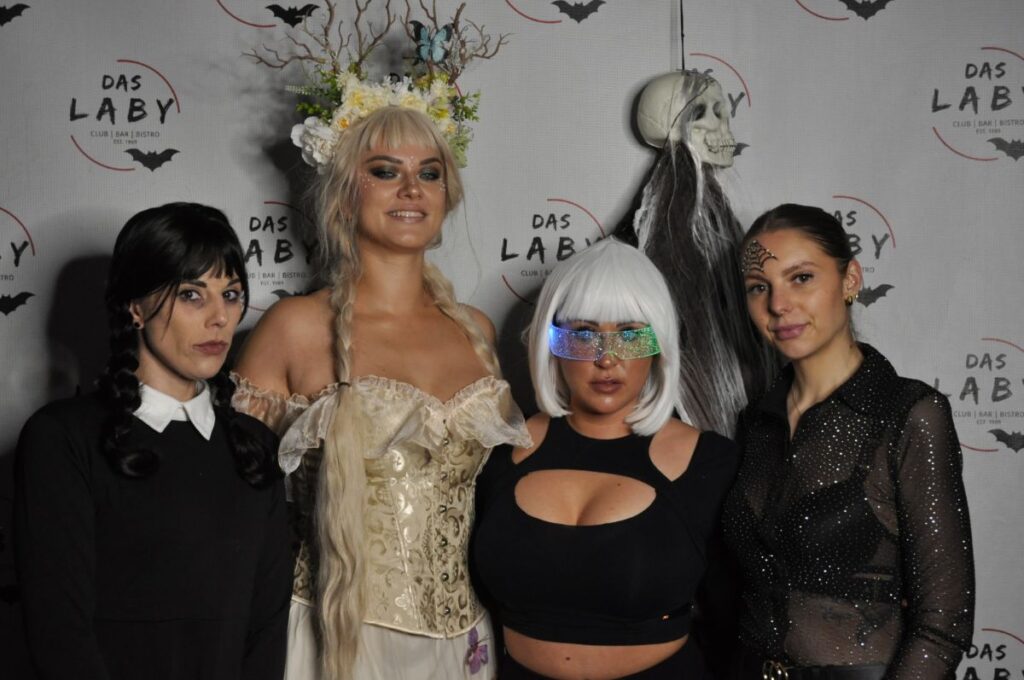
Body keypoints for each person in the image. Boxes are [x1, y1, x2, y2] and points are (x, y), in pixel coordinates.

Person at [231, 106, 530, 680]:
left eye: (430, 172)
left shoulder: (477, 332)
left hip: (465, 646)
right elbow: (238, 515)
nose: (412, 188)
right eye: (386, 171)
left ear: (447, 194)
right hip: (334, 638)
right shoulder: (294, 328)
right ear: (345, 194)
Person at [15, 202, 292, 680]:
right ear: (135, 307)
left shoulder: (256, 447)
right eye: (191, 295)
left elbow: (266, 634)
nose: (219, 318)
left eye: (230, 294)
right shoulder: (63, 438)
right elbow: (60, 636)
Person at [722, 204, 974, 679]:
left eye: (801, 278)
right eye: (759, 287)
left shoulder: (908, 414)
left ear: (850, 279)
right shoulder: (755, 422)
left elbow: (943, 626)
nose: (778, 305)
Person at [473, 238, 738, 679]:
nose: (607, 358)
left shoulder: (710, 463)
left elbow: (735, 620)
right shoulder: (499, 450)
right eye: (583, 334)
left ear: (659, 344)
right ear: (551, 342)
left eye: (630, 335)